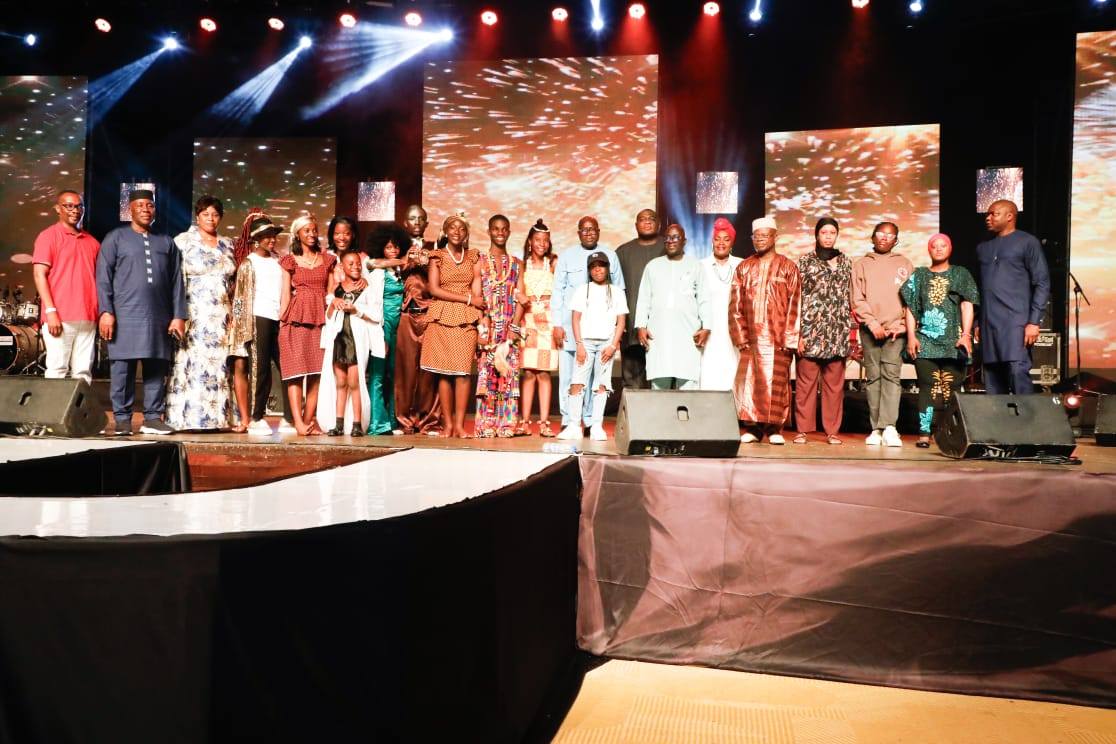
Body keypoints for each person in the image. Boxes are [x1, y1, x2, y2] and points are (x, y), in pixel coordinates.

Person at [96, 188, 186, 435]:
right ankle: (122, 419)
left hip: (159, 316)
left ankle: (152, 418)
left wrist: (178, 315)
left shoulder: (166, 242)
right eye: (140, 205)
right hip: (124, 315)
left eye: (150, 205)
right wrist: (106, 311)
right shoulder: (115, 238)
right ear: (130, 209)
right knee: (122, 368)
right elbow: (103, 278)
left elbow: (177, 282)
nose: (146, 209)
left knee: (156, 367)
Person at [165, 196, 236, 431]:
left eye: (215, 215)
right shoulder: (183, 241)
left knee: (220, 364)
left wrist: (235, 314)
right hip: (194, 312)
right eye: (206, 214)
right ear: (198, 216)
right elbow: (174, 280)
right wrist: (177, 314)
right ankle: (190, 418)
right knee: (194, 363)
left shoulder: (227, 244)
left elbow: (234, 283)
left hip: (222, 313)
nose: (210, 219)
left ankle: (218, 419)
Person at [902, 234, 979, 447]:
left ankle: (949, 434)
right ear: (928, 250)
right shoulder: (919, 275)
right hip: (925, 339)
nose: (938, 249)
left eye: (942, 245)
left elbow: (967, 305)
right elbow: (910, 308)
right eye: (933, 246)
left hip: (954, 340)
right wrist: (911, 336)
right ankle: (924, 434)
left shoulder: (960, 273)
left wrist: (966, 335)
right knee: (927, 386)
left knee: (951, 388)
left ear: (950, 248)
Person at [729, 216, 801, 444]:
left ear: (775, 237)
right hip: (751, 338)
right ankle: (753, 429)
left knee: (776, 385)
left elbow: (795, 304)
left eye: (765, 236)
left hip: (778, 339)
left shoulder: (788, 267)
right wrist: (740, 336)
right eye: (756, 236)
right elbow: (735, 305)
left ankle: (774, 429)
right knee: (750, 383)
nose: (760, 240)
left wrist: (790, 338)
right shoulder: (744, 267)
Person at [552, 216, 624, 434]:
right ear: (578, 233)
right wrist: (557, 323)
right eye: (584, 230)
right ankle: (569, 420)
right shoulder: (567, 256)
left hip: (601, 333)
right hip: (571, 329)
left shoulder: (610, 255)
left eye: (593, 229)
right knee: (570, 377)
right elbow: (558, 290)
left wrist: (615, 336)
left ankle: (592, 421)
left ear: (599, 231)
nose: (589, 233)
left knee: (596, 379)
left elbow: (619, 290)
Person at [228, 212, 294, 435]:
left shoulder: (278, 261)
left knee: (286, 367)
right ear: (256, 239)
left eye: (273, 235)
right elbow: (239, 298)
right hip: (258, 318)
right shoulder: (249, 263)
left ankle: (289, 417)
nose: (272, 240)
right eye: (266, 236)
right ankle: (256, 417)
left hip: (279, 318)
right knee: (260, 369)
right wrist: (238, 325)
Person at [976, 200, 1050, 395]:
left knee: (1017, 370)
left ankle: (1025, 415)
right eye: (988, 214)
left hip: (1016, 320)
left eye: (993, 214)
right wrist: (977, 322)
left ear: (1009, 216)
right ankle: (998, 416)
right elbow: (979, 287)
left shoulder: (1027, 242)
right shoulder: (983, 247)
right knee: (992, 376)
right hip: (989, 322)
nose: (988, 218)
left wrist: (1034, 322)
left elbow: (1042, 282)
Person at [794, 217, 856, 445]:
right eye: (824, 232)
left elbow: (850, 298)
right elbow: (797, 298)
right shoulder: (805, 262)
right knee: (805, 385)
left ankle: (832, 431)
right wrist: (798, 333)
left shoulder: (846, 262)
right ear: (816, 235)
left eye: (832, 233)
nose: (828, 237)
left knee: (834, 387)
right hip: (810, 331)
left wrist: (851, 335)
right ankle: (803, 430)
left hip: (837, 332)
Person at [420, 214, 483, 438]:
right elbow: (434, 289)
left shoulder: (473, 257)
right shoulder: (437, 256)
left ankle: (459, 425)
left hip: (466, 317)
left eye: (462, 228)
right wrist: (467, 299)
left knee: (463, 373)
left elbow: (477, 290)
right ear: (445, 231)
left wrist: (478, 313)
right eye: (453, 228)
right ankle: (447, 425)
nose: (457, 232)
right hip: (442, 315)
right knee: (444, 373)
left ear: (466, 233)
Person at [851, 221, 913, 448]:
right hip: (871, 330)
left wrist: (903, 325)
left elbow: (911, 300)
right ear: (873, 237)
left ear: (896, 240)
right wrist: (872, 323)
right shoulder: (861, 264)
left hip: (896, 332)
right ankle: (876, 429)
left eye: (890, 235)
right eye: (880, 233)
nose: (884, 238)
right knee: (873, 377)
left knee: (891, 376)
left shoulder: (905, 264)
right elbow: (856, 298)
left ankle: (889, 427)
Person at [32, 190, 100, 384]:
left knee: (83, 373)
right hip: (60, 316)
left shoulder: (92, 242)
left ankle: (78, 406)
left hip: (88, 317)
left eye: (79, 206)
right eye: (69, 206)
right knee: (57, 369)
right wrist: (50, 311)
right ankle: (52, 407)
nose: (75, 210)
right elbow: (39, 274)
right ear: (58, 209)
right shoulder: (48, 236)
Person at [279, 212, 337, 436]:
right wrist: (282, 322)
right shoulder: (289, 261)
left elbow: (330, 293)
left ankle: (307, 421)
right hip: (295, 320)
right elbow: (285, 294)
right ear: (297, 235)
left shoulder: (327, 259)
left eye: (314, 230)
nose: (312, 234)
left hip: (320, 320)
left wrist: (332, 322)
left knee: (316, 373)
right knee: (295, 373)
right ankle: (298, 422)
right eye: (307, 231)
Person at [634, 223, 711, 390]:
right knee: (659, 384)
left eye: (675, 237)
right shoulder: (653, 266)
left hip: (688, 334)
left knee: (688, 383)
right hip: (658, 334)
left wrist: (707, 327)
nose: (670, 241)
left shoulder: (695, 265)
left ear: (684, 241)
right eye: (668, 237)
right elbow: (644, 299)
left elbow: (704, 299)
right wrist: (641, 325)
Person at [317, 250, 384, 436]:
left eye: (358, 264)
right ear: (342, 267)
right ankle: (338, 423)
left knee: (355, 382)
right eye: (351, 264)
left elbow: (376, 316)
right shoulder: (337, 289)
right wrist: (333, 304)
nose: (355, 267)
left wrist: (357, 311)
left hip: (356, 339)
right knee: (341, 382)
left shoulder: (366, 288)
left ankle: (357, 423)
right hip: (339, 338)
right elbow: (328, 316)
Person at [474, 215, 525, 437]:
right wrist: (482, 326)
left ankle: (507, 424)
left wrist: (514, 328)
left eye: (504, 229)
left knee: (508, 375)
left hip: (509, 326)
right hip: (489, 325)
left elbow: (521, 299)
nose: (500, 233)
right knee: (487, 374)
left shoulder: (517, 263)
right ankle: (486, 424)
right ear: (489, 232)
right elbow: (477, 297)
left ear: (509, 232)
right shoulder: (480, 261)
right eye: (496, 229)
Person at [395, 204, 440, 433]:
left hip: (429, 314)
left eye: (421, 219)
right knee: (405, 371)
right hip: (405, 314)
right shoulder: (396, 248)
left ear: (426, 223)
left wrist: (426, 262)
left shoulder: (435, 247)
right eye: (412, 218)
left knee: (429, 371)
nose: (417, 222)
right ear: (405, 222)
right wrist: (407, 261)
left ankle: (428, 420)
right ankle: (404, 419)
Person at [365, 224, 408, 435]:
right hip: (382, 325)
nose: (393, 250)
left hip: (397, 326)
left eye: (396, 247)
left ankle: (390, 421)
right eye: (389, 247)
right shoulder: (376, 270)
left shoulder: (397, 271)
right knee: (378, 374)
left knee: (392, 374)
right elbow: (374, 304)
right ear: (381, 247)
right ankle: (377, 423)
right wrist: (379, 333)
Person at [615, 208, 664, 391]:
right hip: (632, 325)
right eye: (643, 219)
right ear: (636, 225)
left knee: (662, 379)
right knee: (633, 382)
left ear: (658, 224)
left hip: (663, 325)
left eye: (651, 218)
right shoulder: (623, 252)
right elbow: (615, 290)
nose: (647, 222)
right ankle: (633, 411)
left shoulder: (668, 248)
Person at [518, 219, 558, 436]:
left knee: (543, 373)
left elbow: (560, 291)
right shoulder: (522, 264)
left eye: (545, 240)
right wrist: (519, 296)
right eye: (537, 240)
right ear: (530, 242)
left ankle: (543, 422)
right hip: (528, 321)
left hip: (547, 322)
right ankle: (524, 422)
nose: (541, 244)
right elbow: (516, 290)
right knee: (528, 373)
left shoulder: (553, 263)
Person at [699, 217, 744, 391]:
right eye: (717, 239)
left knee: (732, 367)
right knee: (709, 368)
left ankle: (732, 405)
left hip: (733, 327)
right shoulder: (701, 266)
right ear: (712, 241)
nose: (721, 243)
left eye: (726, 239)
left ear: (732, 242)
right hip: (709, 327)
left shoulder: (741, 265)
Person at [326, 216, 359, 285]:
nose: (342, 238)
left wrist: (364, 280)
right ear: (332, 235)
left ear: (353, 235)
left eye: (346, 234)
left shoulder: (361, 258)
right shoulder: (325, 256)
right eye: (337, 234)